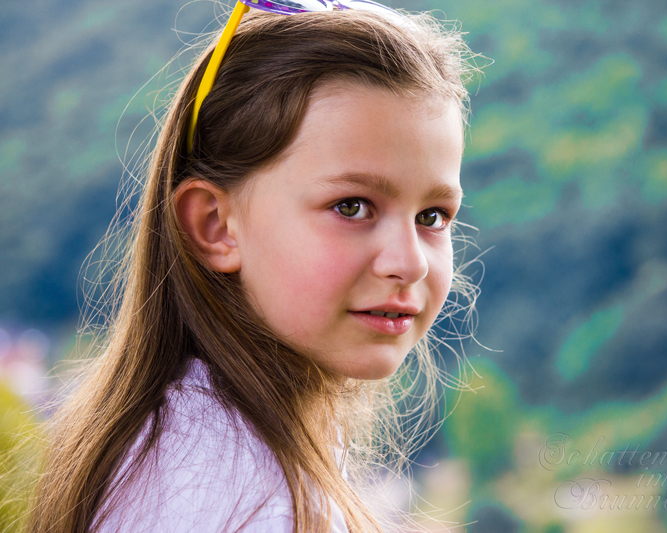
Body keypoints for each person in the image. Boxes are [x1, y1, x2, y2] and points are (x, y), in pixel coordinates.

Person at [27, 1, 481, 531]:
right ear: (216, 226)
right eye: (352, 207)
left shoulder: (195, 447)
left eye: (433, 216)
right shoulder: (238, 500)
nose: (409, 263)